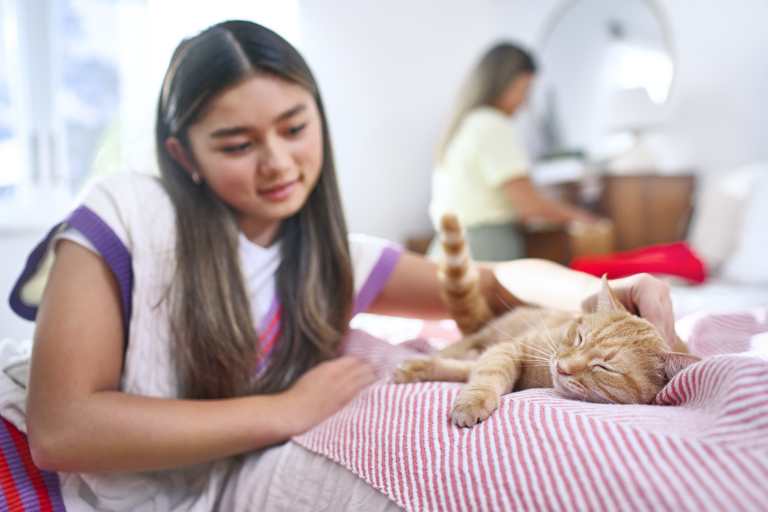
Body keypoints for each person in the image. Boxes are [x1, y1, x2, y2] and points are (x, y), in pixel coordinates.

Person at [3, 21, 675, 511]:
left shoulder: (331, 261)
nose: (278, 163)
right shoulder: (129, 210)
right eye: (237, 143)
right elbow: (64, 431)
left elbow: (497, 281)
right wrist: (286, 411)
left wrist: (606, 292)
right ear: (184, 157)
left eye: (295, 128)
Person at [429, 42, 599, 262]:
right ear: (499, 84)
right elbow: (528, 205)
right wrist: (581, 217)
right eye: (523, 90)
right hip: (484, 247)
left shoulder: (463, 124)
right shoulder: (492, 124)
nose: (524, 102)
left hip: (446, 247)